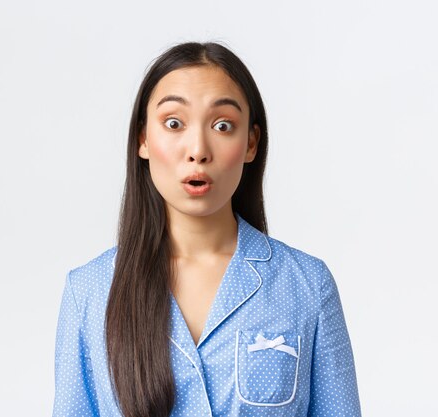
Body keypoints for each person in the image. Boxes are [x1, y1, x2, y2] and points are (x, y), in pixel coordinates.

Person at [53, 42, 361, 417]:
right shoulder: (89, 292)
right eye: (173, 123)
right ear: (143, 140)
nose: (198, 149)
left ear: (250, 143)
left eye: (222, 125)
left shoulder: (307, 285)